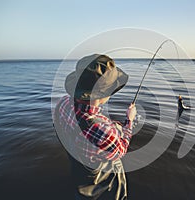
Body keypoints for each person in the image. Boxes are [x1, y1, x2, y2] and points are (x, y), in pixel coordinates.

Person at [54, 54, 136, 199]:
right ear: (102, 94)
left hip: (78, 168)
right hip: (103, 177)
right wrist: (129, 122)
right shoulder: (102, 130)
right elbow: (121, 150)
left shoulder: (63, 103)